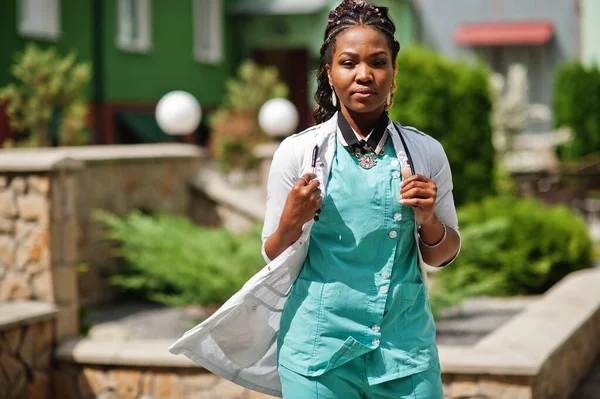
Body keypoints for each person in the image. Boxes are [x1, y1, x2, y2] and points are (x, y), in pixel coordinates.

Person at [169, 1, 460, 397]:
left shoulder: (425, 154)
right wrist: (292, 217)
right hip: (316, 354)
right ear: (329, 72)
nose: (364, 74)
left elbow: (442, 254)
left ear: (393, 73)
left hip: (405, 352)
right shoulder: (299, 154)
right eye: (349, 62)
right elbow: (273, 252)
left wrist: (428, 220)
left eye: (378, 62)